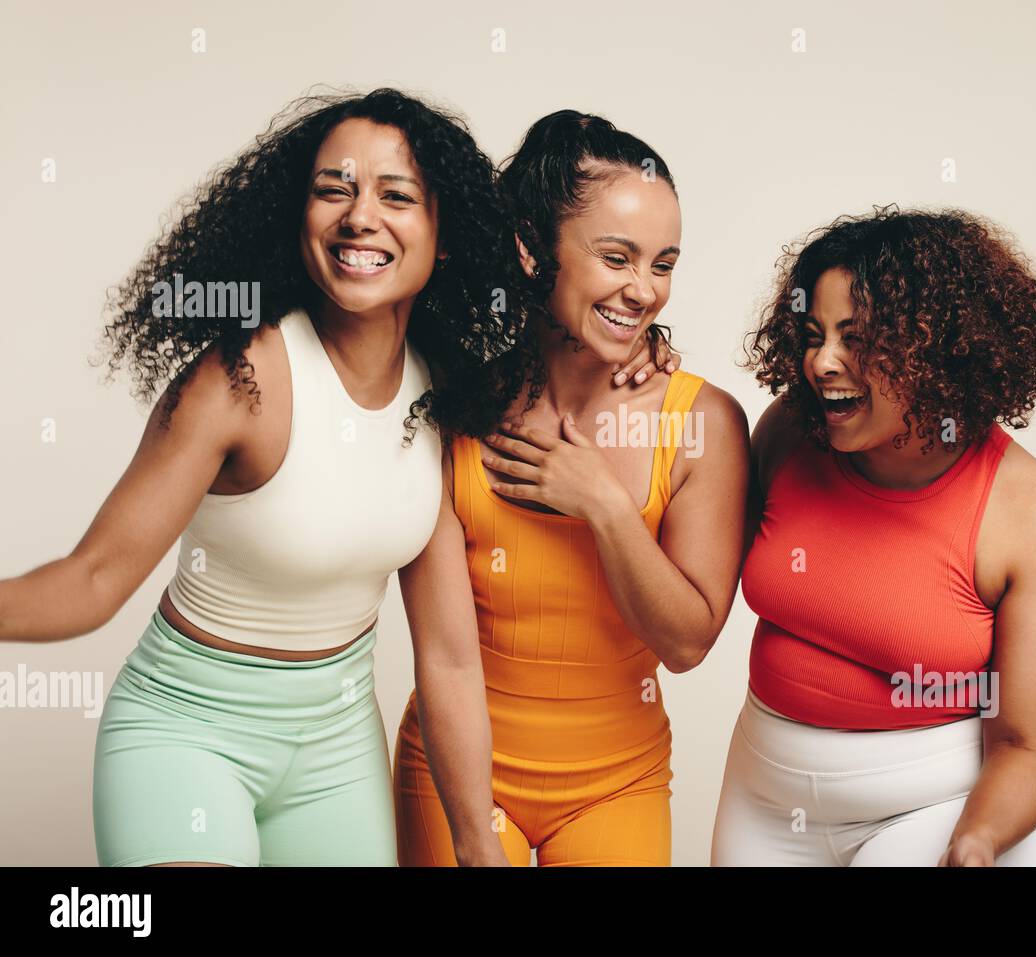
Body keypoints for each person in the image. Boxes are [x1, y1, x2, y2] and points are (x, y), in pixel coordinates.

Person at [0, 88, 665, 867]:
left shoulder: (449, 393)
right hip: (185, 736)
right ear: (300, 216)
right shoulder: (241, 378)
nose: (360, 217)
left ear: (444, 236)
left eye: (396, 196)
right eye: (333, 190)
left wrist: (476, 839)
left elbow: (448, 656)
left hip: (335, 758)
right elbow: (93, 577)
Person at [393, 110, 749, 866]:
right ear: (530, 249)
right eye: (616, 256)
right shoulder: (455, 407)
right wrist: (470, 839)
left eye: (663, 263)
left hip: (617, 783)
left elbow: (687, 640)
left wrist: (605, 505)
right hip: (458, 775)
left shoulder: (702, 421)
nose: (644, 290)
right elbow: (447, 657)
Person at [711, 206, 1036, 866]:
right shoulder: (787, 434)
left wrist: (975, 844)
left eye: (856, 338)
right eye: (814, 335)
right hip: (768, 796)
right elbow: (692, 589)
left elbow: (1024, 749)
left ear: (938, 349)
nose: (821, 362)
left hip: (943, 806)